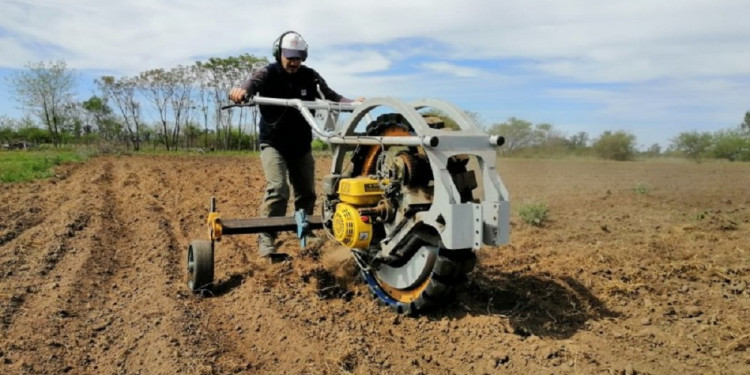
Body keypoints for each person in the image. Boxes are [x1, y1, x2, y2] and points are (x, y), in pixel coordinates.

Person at [229, 31, 363, 260]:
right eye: (290, 57)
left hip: (301, 145)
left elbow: (330, 96)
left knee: (307, 193)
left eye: (299, 57)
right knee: (278, 189)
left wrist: (352, 103)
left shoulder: (309, 76)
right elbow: (251, 85)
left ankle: (305, 231)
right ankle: (267, 237)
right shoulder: (268, 73)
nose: (294, 62)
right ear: (279, 54)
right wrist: (242, 92)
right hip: (274, 144)